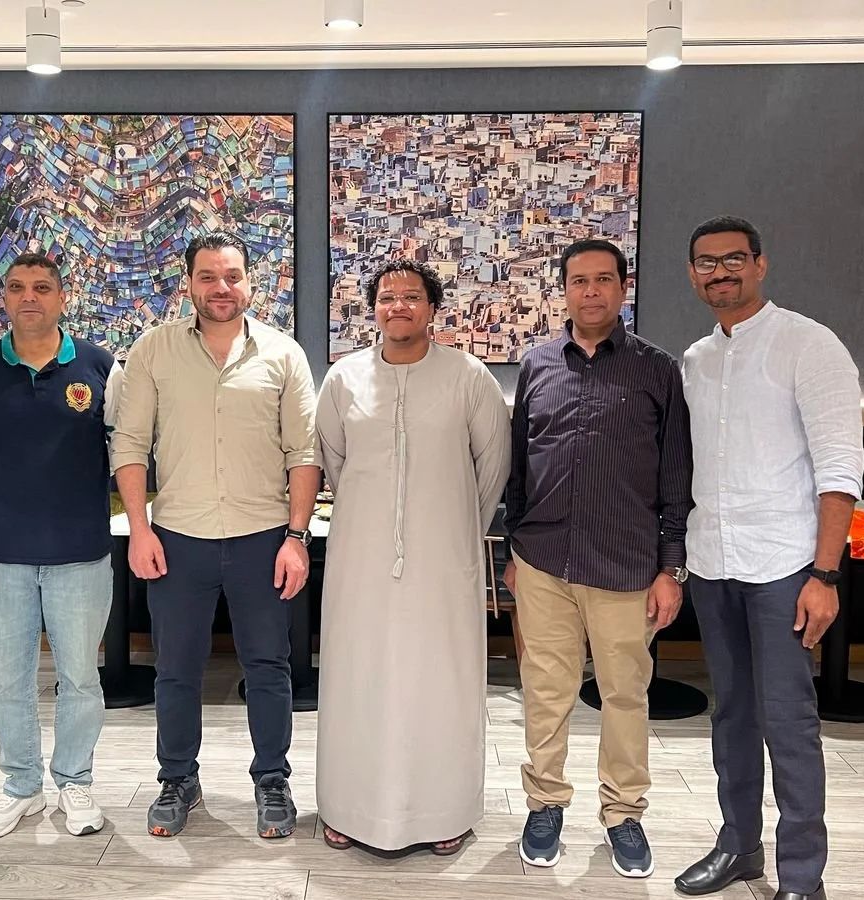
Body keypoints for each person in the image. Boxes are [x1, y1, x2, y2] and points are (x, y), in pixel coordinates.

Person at [673, 216, 862, 900]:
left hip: (785, 567)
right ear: (692, 274)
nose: (720, 272)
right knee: (731, 715)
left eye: (733, 259)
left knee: (788, 721)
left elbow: (839, 469)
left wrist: (825, 575)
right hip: (713, 563)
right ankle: (739, 846)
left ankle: (803, 876)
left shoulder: (810, 345)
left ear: (760, 264)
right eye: (706, 263)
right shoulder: (695, 360)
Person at [109, 230, 319, 840]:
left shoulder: (283, 354)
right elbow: (130, 444)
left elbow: (303, 452)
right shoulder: (153, 350)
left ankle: (272, 778)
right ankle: (177, 779)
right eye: (207, 276)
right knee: (175, 669)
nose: (220, 288)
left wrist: (297, 537)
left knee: (269, 666)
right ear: (189, 284)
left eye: (232, 276)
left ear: (250, 282)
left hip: (263, 538)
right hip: (178, 538)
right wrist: (139, 529)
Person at [502, 239, 693, 876]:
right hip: (543, 560)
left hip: (626, 565)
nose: (591, 291)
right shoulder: (536, 365)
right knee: (545, 689)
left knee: (625, 694)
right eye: (579, 281)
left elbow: (675, 478)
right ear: (563, 290)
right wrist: (513, 548)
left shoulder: (657, 370)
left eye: (603, 280)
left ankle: (624, 813)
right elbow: (519, 467)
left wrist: (670, 568)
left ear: (623, 287)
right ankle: (545, 803)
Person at [315, 259, 511, 856]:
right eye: (386, 297)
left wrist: (452, 531)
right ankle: (348, 807)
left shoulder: (468, 377)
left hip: (443, 563)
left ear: (432, 308)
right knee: (357, 676)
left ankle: (444, 812)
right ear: (373, 309)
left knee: (442, 681)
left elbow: (491, 469)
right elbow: (334, 462)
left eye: (411, 296)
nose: (397, 306)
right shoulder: (344, 379)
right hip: (359, 560)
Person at [0, 252, 122, 841]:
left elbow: (123, 454)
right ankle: (21, 786)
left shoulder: (100, 365)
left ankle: (74, 781)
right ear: (4, 298)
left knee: (80, 679)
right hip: (0, 556)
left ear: (62, 297)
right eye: (17, 287)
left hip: (82, 552)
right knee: (9, 682)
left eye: (42, 287)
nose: (29, 297)